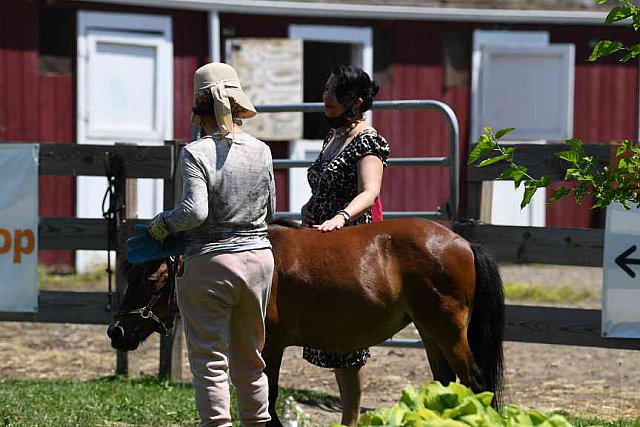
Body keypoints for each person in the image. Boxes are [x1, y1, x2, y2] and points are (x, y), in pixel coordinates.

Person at [147, 62, 276, 427]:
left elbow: (194, 212)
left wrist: (160, 225)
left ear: (197, 107)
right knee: (251, 358)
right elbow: (271, 208)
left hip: (210, 263)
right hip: (259, 260)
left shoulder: (196, 153)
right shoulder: (262, 151)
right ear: (237, 103)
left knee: (210, 361)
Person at [300, 64, 389, 426]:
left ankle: (350, 421)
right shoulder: (333, 135)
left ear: (355, 101)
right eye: (325, 89)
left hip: (350, 242)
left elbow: (370, 192)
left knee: (348, 338)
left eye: (335, 92)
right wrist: (311, 206)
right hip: (319, 237)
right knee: (331, 334)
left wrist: (340, 217)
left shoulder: (368, 140)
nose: (326, 97)